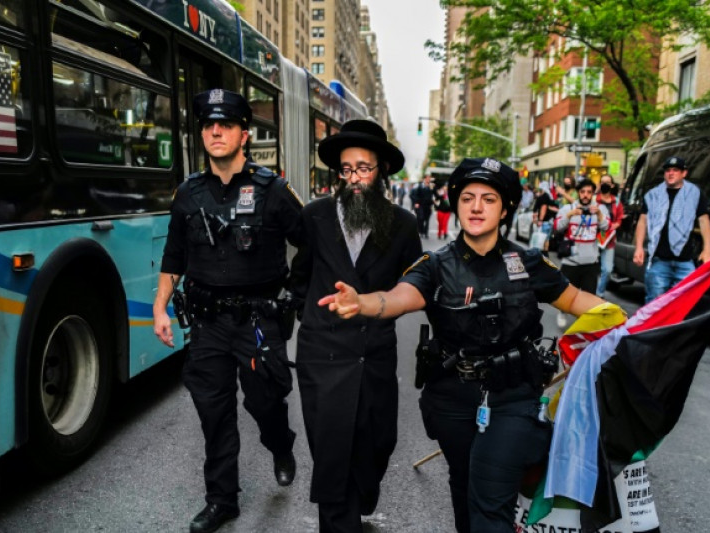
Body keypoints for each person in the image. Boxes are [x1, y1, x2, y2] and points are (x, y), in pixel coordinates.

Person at [318, 157, 608, 533]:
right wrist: (363, 303)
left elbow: (578, 301)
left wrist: (638, 319)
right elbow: (397, 298)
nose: (476, 207)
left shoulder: (528, 262)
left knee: (490, 501)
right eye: (468, 197)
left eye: (488, 199)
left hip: (513, 397)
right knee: (464, 484)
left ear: (505, 209)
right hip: (451, 399)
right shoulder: (435, 264)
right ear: (456, 204)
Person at [152, 88, 302, 533]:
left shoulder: (272, 190)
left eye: (226, 125)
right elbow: (173, 258)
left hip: (258, 320)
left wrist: (296, 293)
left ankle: (280, 444)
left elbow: (310, 244)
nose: (215, 131)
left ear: (244, 134)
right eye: (208, 125)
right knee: (213, 413)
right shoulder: (188, 194)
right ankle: (222, 500)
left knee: (265, 402)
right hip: (207, 322)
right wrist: (160, 308)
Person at [291, 119, 423, 532]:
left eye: (363, 168)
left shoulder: (403, 224)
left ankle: (365, 490)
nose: (354, 179)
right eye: (346, 170)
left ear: (381, 169)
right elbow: (299, 278)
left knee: (378, 447)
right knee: (333, 462)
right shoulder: (313, 217)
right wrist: (311, 319)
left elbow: (413, 285)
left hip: (375, 357)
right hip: (323, 359)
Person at [633, 156, 710, 303]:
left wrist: (707, 249)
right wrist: (638, 247)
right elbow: (643, 221)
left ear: (684, 173)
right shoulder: (653, 195)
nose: (671, 173)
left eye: (675, 170)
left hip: (685, 261)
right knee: (654, 306)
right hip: (659, 261)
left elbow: (704, 220)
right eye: (668, 170)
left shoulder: (695, 193)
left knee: (683, 305)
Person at [552, 178, 609, 328]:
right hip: (571, 260)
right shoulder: (568, 208)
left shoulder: (599, 209)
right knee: (566, 293)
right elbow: (557, 227)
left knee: (589, 296)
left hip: (590, 260)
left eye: (589, 192)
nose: (585, 195)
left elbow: (606, 227)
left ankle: (584, 322)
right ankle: (562, 312)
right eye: (583, 192)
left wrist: (600, 216)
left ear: (592, 194)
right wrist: (570, 214)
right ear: (578, 193)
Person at [595, 174, 625, 297]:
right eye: (602, 182)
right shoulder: (594, 200)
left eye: (608, 182)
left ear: (612, 185)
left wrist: (614, 226)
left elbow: (619, 219)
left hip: (609, 239)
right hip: (593, 238)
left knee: (607, 269)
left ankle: (599, 293)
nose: (605, 185)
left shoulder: (617, 202)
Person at [529, 182, 557, 253]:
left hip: (544, 222)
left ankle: (542, 255)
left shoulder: (543, 197)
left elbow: (543, 208)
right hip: (550, 222)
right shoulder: (549, 196)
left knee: (541, 240)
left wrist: (540, 220)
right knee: (546, 239)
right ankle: (546, 254)